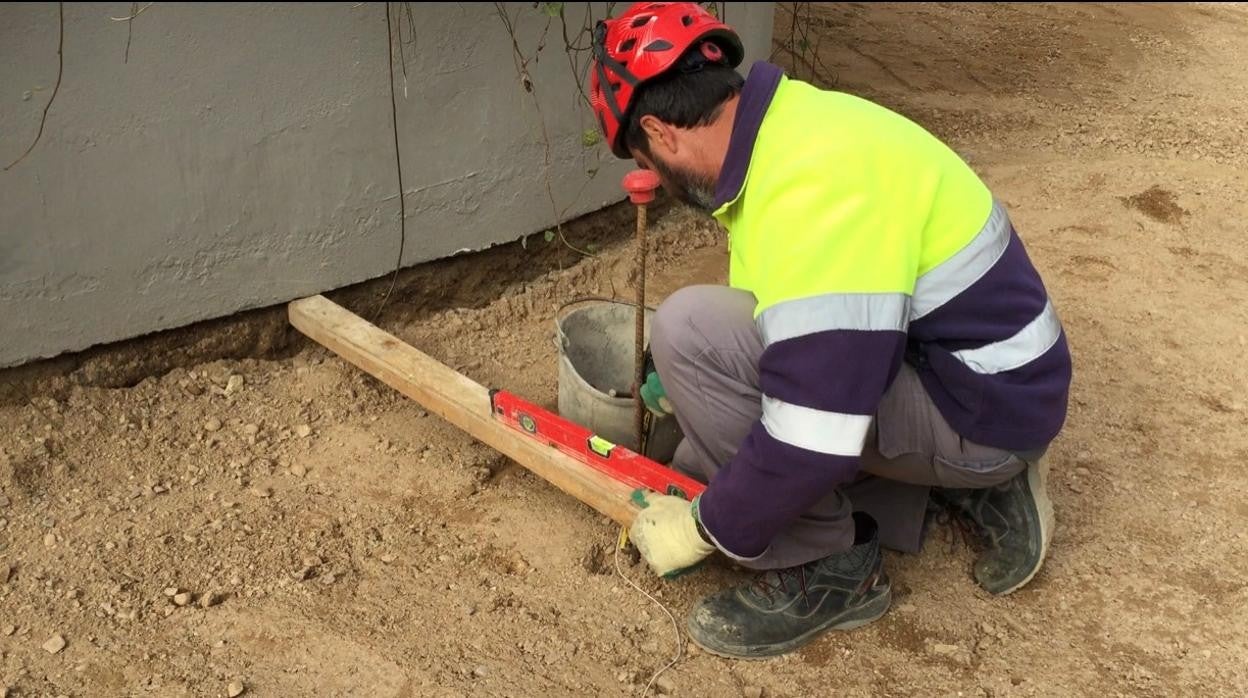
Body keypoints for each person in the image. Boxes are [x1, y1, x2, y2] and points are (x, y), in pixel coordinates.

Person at [588, 2, 1073, 659]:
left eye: (645, 157)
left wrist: (706, 527)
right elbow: (790, 313)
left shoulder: (810, 192)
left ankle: (830, 572)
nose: (659, 181)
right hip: (978, 376)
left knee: (689, 333)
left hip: (986, 414)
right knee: (707, 407)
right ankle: (969, 483)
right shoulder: (795, 130)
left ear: (660, 133)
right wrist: (700, 406)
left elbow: (815, 435)